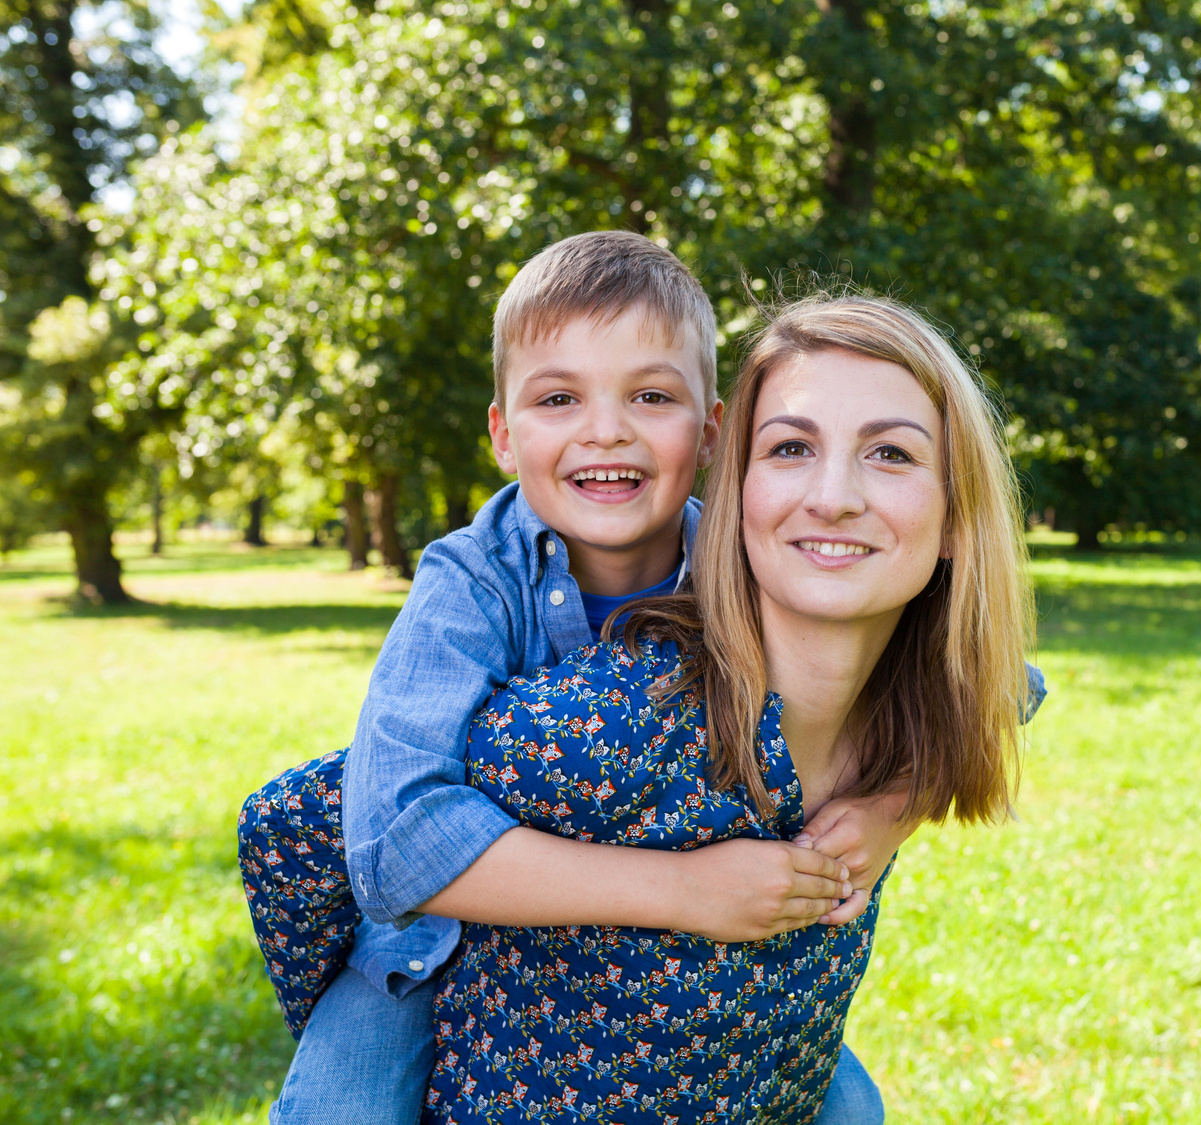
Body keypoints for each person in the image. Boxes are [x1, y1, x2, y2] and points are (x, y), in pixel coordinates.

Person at [239, 236, 915, 1124]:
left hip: (679, 982)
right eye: (559, 397)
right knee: (344, 1102)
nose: (607, 429)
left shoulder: (752, 557)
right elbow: (395, 839)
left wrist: (889, 806)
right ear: (504, 435)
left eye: (651, 395)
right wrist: (683, 892)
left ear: (711, 431)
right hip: (443, 947)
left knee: (845, 1104)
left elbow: (989, 684)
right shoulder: (468, 583)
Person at [415, 292, 1036, 1120]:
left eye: (890, 453)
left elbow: (1007, 690)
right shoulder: (600, 720)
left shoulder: (914, 703)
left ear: (959, 515)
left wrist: (898, 800)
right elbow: (327, 820)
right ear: (738, 495)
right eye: (790, 447)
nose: (835, 496)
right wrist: (675, 889)